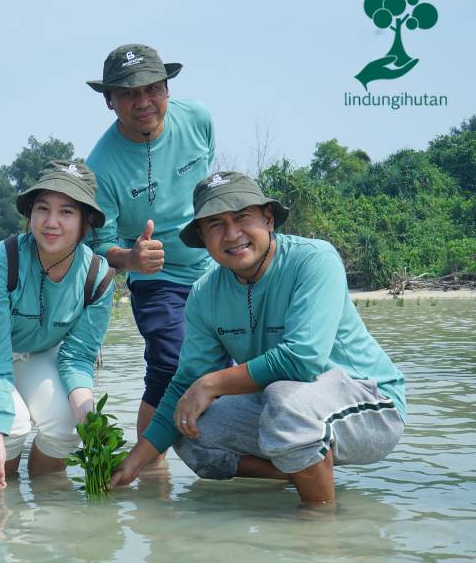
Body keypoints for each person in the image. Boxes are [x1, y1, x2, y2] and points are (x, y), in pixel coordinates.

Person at [111, 171, 406, 505]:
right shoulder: (205, 294)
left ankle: (321, 525)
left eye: (241, 217)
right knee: (189, 426)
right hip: (290, 408)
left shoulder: (314, 260)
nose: (232, 234)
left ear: (268, 219)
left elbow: (302, 358)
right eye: (215, 225)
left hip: (372, 406)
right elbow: (184, 384)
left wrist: (211, 384)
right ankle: (303, 471)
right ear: (203, 239)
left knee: (285, 400)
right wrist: (133, 464)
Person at [0, 160, 115, 489]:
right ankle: (1, 504)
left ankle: (48, 506)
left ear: (87, 222)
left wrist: (90, 420)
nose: (51, 222)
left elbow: (77, 357)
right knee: (11, 427)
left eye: (67, 212)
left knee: (68, 427)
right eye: (42, 208)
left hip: (33, 348)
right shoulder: (0, 261)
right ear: (29, 213)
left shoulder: (98, 277)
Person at [85, 43, 216, 443]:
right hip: (156, 279)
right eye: (127, 93)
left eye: (152, 89)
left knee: (230, 360)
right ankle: (150, 473)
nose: (143, 102)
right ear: (109, 101)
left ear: (167, 89)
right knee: (169, 365)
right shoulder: (100, 167)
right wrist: (130, 258)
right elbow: (100, 243)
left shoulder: (198, 118)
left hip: (215, 269)